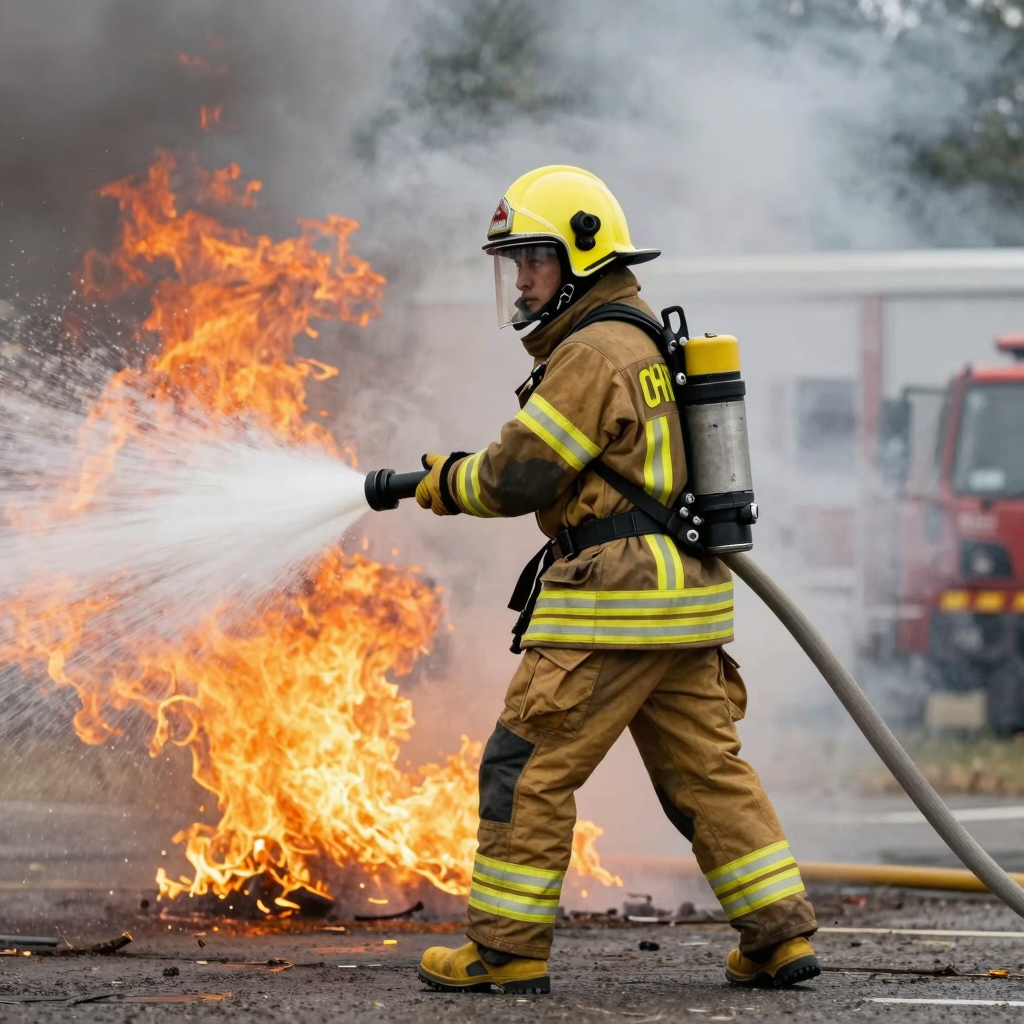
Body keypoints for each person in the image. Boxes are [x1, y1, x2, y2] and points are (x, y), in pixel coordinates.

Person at [413, 165, 819, 994]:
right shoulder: (639, 340)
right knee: (709, 774)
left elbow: (521, 474)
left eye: (533, 260)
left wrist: (443, 482)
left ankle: (505, 951)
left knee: (523, 766)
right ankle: (779, 936)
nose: (521, 281)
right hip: (685, 599)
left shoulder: (592, 352)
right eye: (514, 263)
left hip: (614, 600)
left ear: (583, 257)